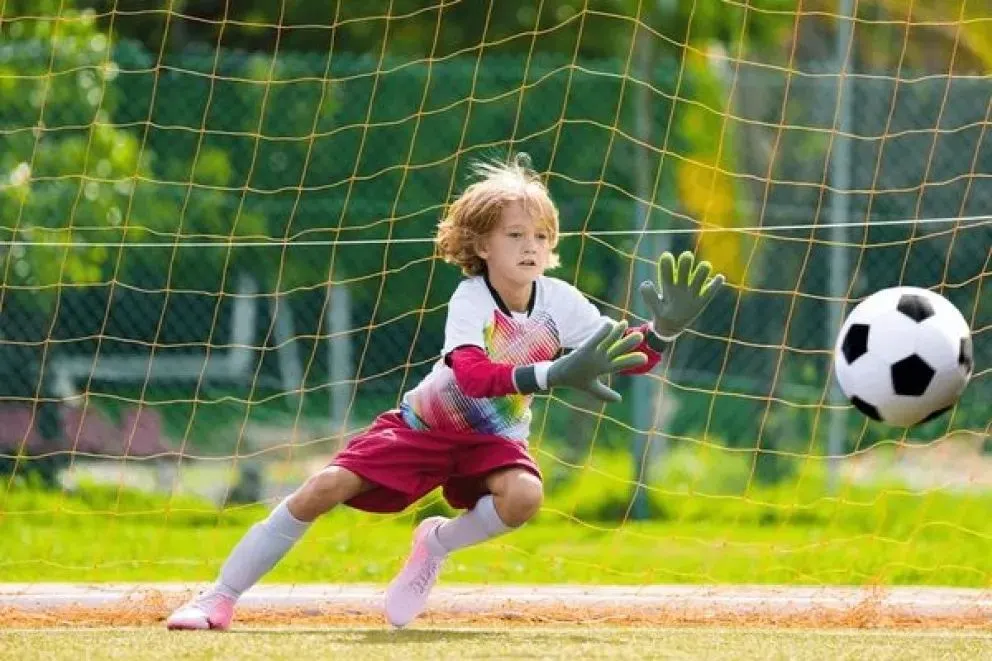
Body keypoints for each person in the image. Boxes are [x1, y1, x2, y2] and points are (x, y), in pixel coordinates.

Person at [165, 153, 725, 631]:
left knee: (525, 498)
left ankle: (434, 545)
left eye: (541, 236)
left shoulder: (560, 299)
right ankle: (219, 596)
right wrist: (552, 375)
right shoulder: (472, 298)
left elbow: (623, 355)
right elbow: (472, 375)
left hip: (493, 440)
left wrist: (661, 332)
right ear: (481, 243)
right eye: (515, 235)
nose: (531, 246)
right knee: (322, 486)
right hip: (424, 427)